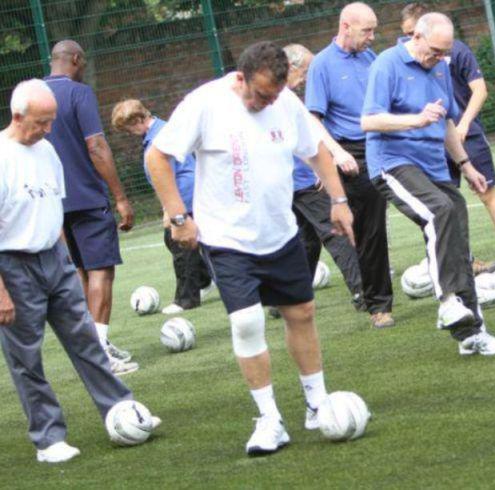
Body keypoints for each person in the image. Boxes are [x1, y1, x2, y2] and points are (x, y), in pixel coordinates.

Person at [146, 41, 355, 455]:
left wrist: (339, 201)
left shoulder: (285, 104)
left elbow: (316, 153)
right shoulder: (205, 103)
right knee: (246, 322)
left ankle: (316, 403)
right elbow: (158, 157)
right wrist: (178, 215)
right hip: (227, 240)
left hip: (279, 234)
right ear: (240, 78)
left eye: (274, 96)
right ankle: (270, 419)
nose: (266, 103)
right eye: (260, 95)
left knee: (302, 313)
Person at [0, 79, 158, 463]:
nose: (48, 129)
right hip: (12, 266)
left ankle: (121, 409)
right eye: (41, 122)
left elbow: (53, 209)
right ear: (17, 116)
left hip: (55, 259)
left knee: (87, 340)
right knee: (27, 359)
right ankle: (48, 438)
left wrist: (66, 262)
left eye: (51, 121)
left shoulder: (48, 150)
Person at [362, 12, 495, 355]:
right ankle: (446, 302)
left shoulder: (441, 66)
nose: (440, 59)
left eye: (445, 53)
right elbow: (369, 120)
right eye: (435, 51)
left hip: (433, 165)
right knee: (439, 210)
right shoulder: (387, 64)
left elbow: (445, 123)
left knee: (456, 222)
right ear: (415, 37)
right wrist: (415, 119)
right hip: (392, 163)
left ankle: (472, 334)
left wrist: (466, 165)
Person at [400, 3, 495, 278]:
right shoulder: (404, 58)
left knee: (486, 192)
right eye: (407, 33)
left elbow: (479, 90)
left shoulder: (456, 50)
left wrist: (463, 124)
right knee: (440, 202)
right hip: (432, 142)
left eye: (413, 32)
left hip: (465, 136)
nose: (409, 39)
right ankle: (454, 259)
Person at [44, 40, 137, 375]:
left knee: (81, 272)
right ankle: (99, 354)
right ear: (77, 60)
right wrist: (120, 197)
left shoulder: (32, 94)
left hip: (51, 202)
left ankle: (94, 345)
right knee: (101, 271)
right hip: (86, 198)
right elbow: (96, 146)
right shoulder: (78, 93)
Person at [304, 2, 395, 329]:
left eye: (373, 30)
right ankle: (378, 304)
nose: (373, 36)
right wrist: (334, 155)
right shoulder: (322, 65)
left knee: (373, 228)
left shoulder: (371, 59)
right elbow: (312, 120)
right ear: (346, 26)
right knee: (361, 230)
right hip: (348, 154)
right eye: (366, 30)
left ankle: (449, 275)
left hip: (380, 146)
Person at [283, 44, 368, 317]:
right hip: (303, 178)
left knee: (305, 240)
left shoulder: (277, 97)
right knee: (338, 230)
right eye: (305, 70)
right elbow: (309, 134)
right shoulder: (285, 99)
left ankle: (288, 297)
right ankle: (362, 290)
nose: (307, 77)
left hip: (288, 181)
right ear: (290, 68)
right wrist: (321, 170)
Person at [111, 99, 214, 315]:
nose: (129, 133)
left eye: (128, 128)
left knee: (179, 244)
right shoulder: (158, 132)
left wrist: (171, 209)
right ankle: (204, 281)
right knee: (188, 242)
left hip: (184, 196)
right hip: (184, 195)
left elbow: (171, 174)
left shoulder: (160, 137)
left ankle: (186, 299)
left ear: (138, 120)